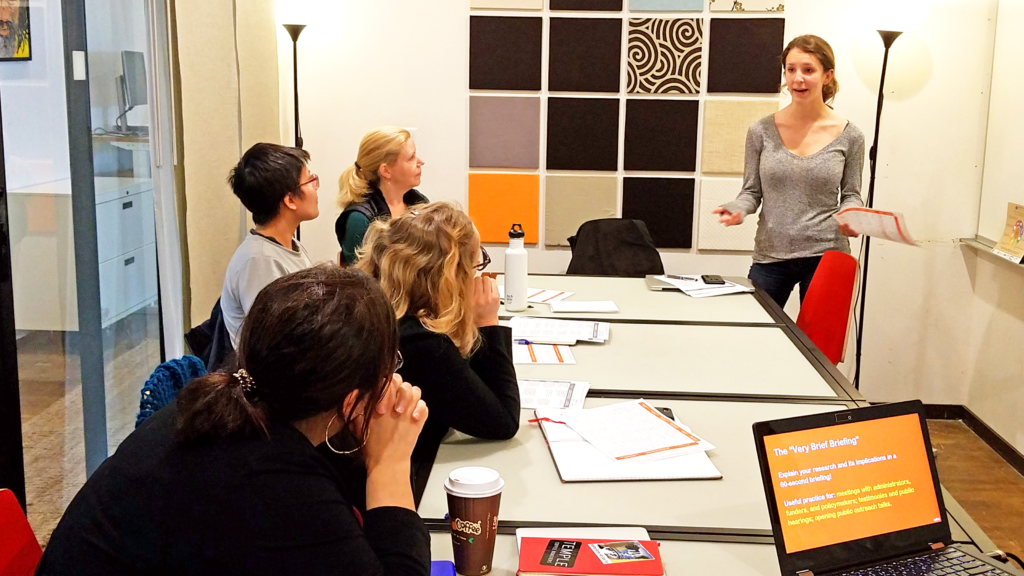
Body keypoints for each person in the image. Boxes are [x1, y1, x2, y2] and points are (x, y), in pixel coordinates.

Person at [37, 265, 431, 576]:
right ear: (350, 400)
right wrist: (389, 466)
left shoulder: (227, 407)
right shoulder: (268, 476)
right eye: (389, 364)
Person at [356, 202, 520, 472]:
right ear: (450, 276)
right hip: (405, 476)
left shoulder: (380, 314)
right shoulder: (422, 345)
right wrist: (488, 323)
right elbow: (502, 421)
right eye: (475, 265)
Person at [713, 34, 864, 309]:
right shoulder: (760, 131)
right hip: (771, 256)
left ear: (827, 76)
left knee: (819, 347)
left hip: (826, 254)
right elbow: (750, 191)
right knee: (757, 337)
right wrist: (738, 208)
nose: (798, 79)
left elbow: (852, 194)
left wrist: (852, 216)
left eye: (808, 70)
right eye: (791, 69)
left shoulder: (850, 135)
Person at [221, 143, 318, 348]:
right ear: (290, 200)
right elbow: (278, 344)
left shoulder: (288, 246)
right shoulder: (259, 261)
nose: (316, 187)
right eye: (310, 180)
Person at [336, 126, 428, 266]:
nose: (421, 162)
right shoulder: (359, 220)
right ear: (386, 171)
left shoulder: (420, 204)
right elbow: (361, 280)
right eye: (411, 158)